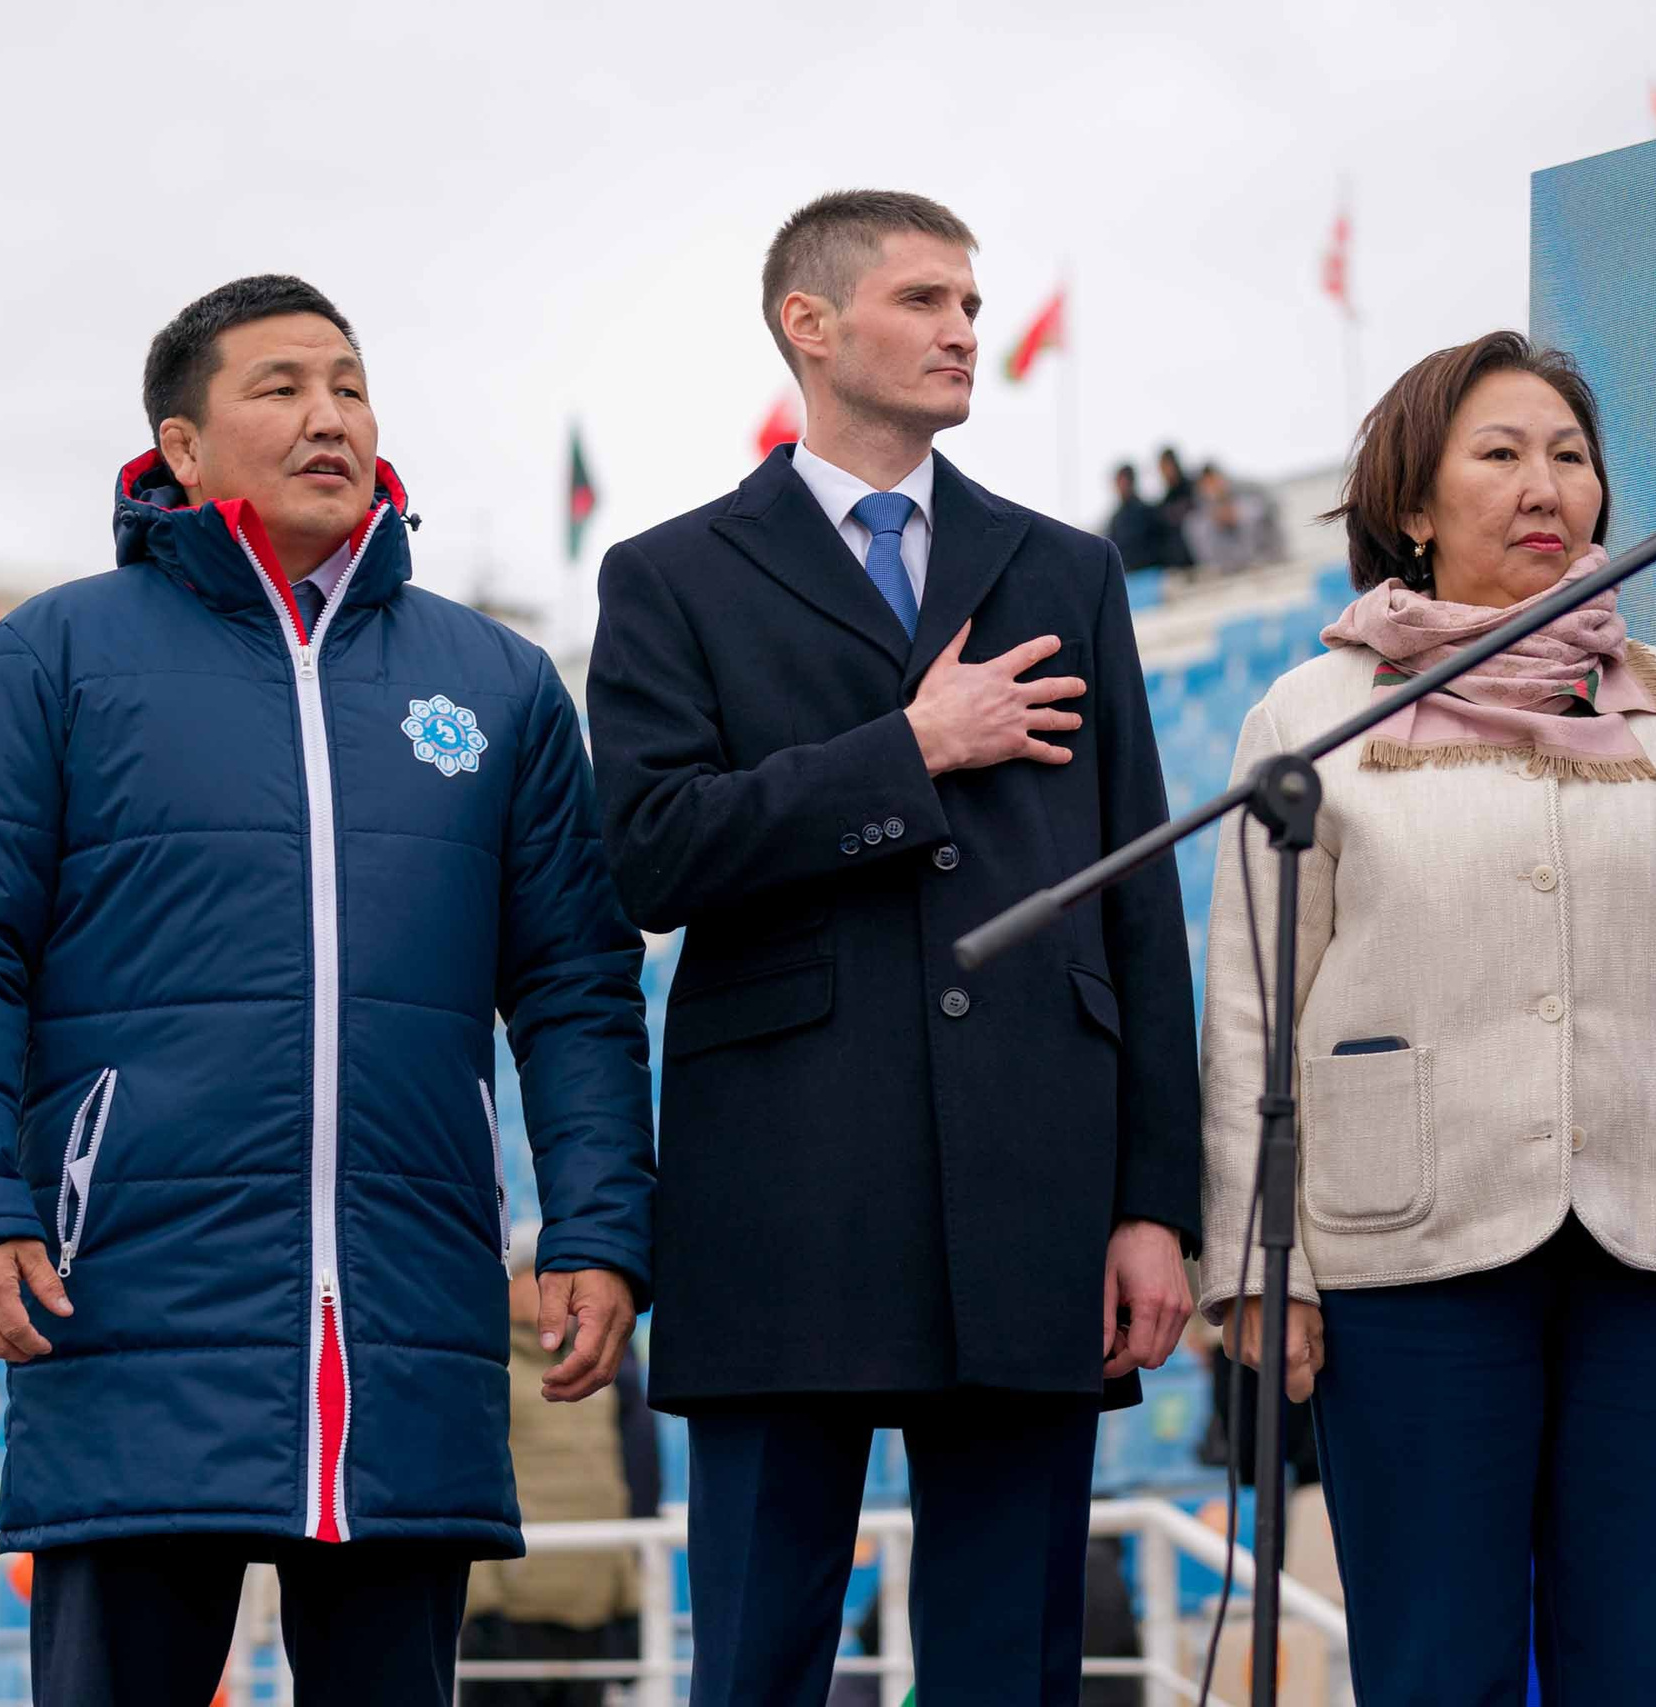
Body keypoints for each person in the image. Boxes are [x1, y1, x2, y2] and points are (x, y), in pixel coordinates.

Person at [0, 275, 655, 1707]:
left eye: (350, 386)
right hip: (124, 1305)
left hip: (406, 1321)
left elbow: (576, 984)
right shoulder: (50, 658)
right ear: (179, 446)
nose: (328, 417)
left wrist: (601, 1223)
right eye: (282, 387)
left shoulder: (495, 681)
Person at [586, 190, 1201, 1707]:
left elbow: (1138, 894)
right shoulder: (671, 576)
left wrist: (1154, 1201)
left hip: (1032, 1181)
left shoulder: (1064, 567)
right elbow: (651, 852)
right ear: (810, 321)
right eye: (926, 299)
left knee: (1011, 1658)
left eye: (974, 307)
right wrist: (909, 749)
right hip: (784, 1183)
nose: (963, 333)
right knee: (756, 1654)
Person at [1198, 330, 1656, 1706]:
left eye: (1569, 454)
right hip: (1403, 1259)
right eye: (1499, 453)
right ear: (1415, 507)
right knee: (1437, 1664)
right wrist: (1262, 1266)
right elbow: (1253, 1013)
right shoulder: (1314, 715)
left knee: (1639, 1663)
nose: (1544, 482)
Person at [460, 1225, 642, 1706]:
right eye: (534, 1277)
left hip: (590, 1610)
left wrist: (628, 1600)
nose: (551, 1292)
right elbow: (468, 1482)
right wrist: (479, 1607)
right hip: (511, 1613)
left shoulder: (594, 1371)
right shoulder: (482, 1370)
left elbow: (611, 1486)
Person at [1179, 461, 1280, 576]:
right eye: (1207, 484)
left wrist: (1238, 520)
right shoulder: (1196, 524)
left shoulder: (1251, 508)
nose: (1213, 488)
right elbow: (1207, 560)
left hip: (1263, 572)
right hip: (1225, 578)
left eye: (1215, 481)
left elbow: (1271, 543)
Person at [1103, 462, 1168, 572]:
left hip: (1149, 574)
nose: (1120, 487)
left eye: (1123, 482)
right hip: (1128, 576)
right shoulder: (1116, 519)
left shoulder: (1147, 512)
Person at [1153, 445, 1198, 567]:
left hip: (1199, 559)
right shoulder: (1165, 502)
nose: (1164, 472)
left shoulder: (1194, 489)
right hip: (1176, 565)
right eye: (1162, 468)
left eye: (1166, 466)